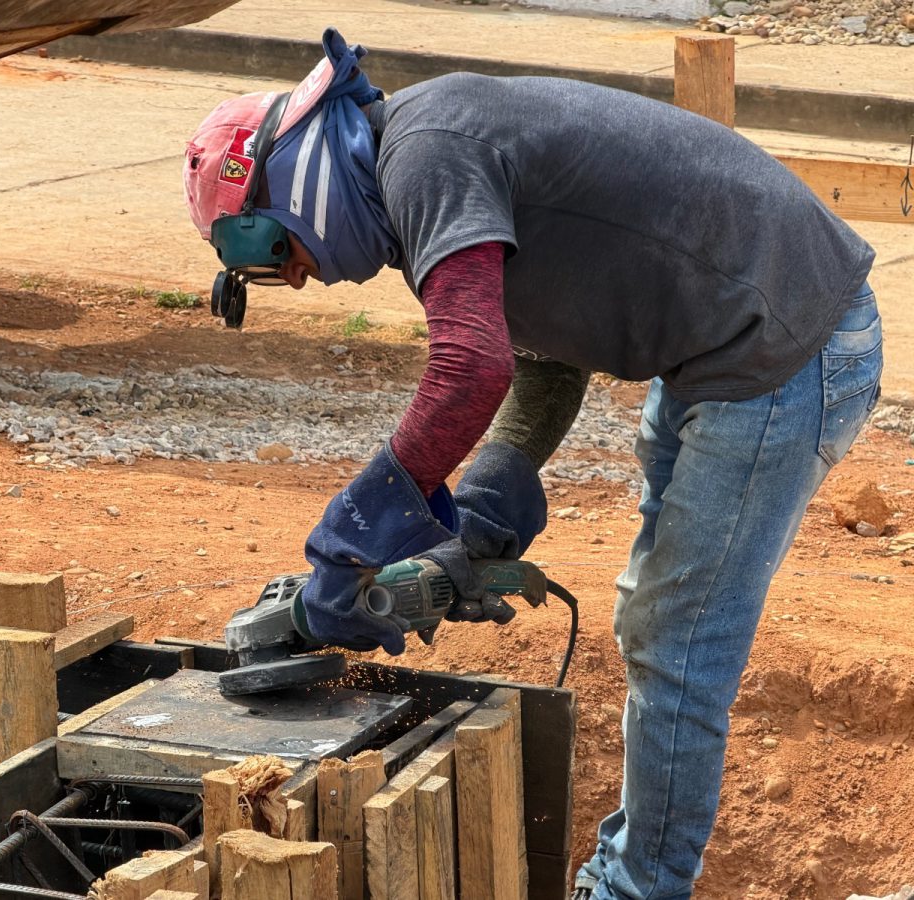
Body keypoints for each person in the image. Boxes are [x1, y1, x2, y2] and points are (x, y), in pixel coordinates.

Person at [181, 28, 882, 900]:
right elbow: (543, 353)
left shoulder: (425, 157)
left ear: (286, 179)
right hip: (724, 338)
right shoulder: (420, 161)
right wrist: (482, 510)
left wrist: (347, 542)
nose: (288, 277)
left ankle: (638, 889)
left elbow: (471, 365)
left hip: (782, 343)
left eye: (261, 247)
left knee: (679, 639)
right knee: (654, 620)